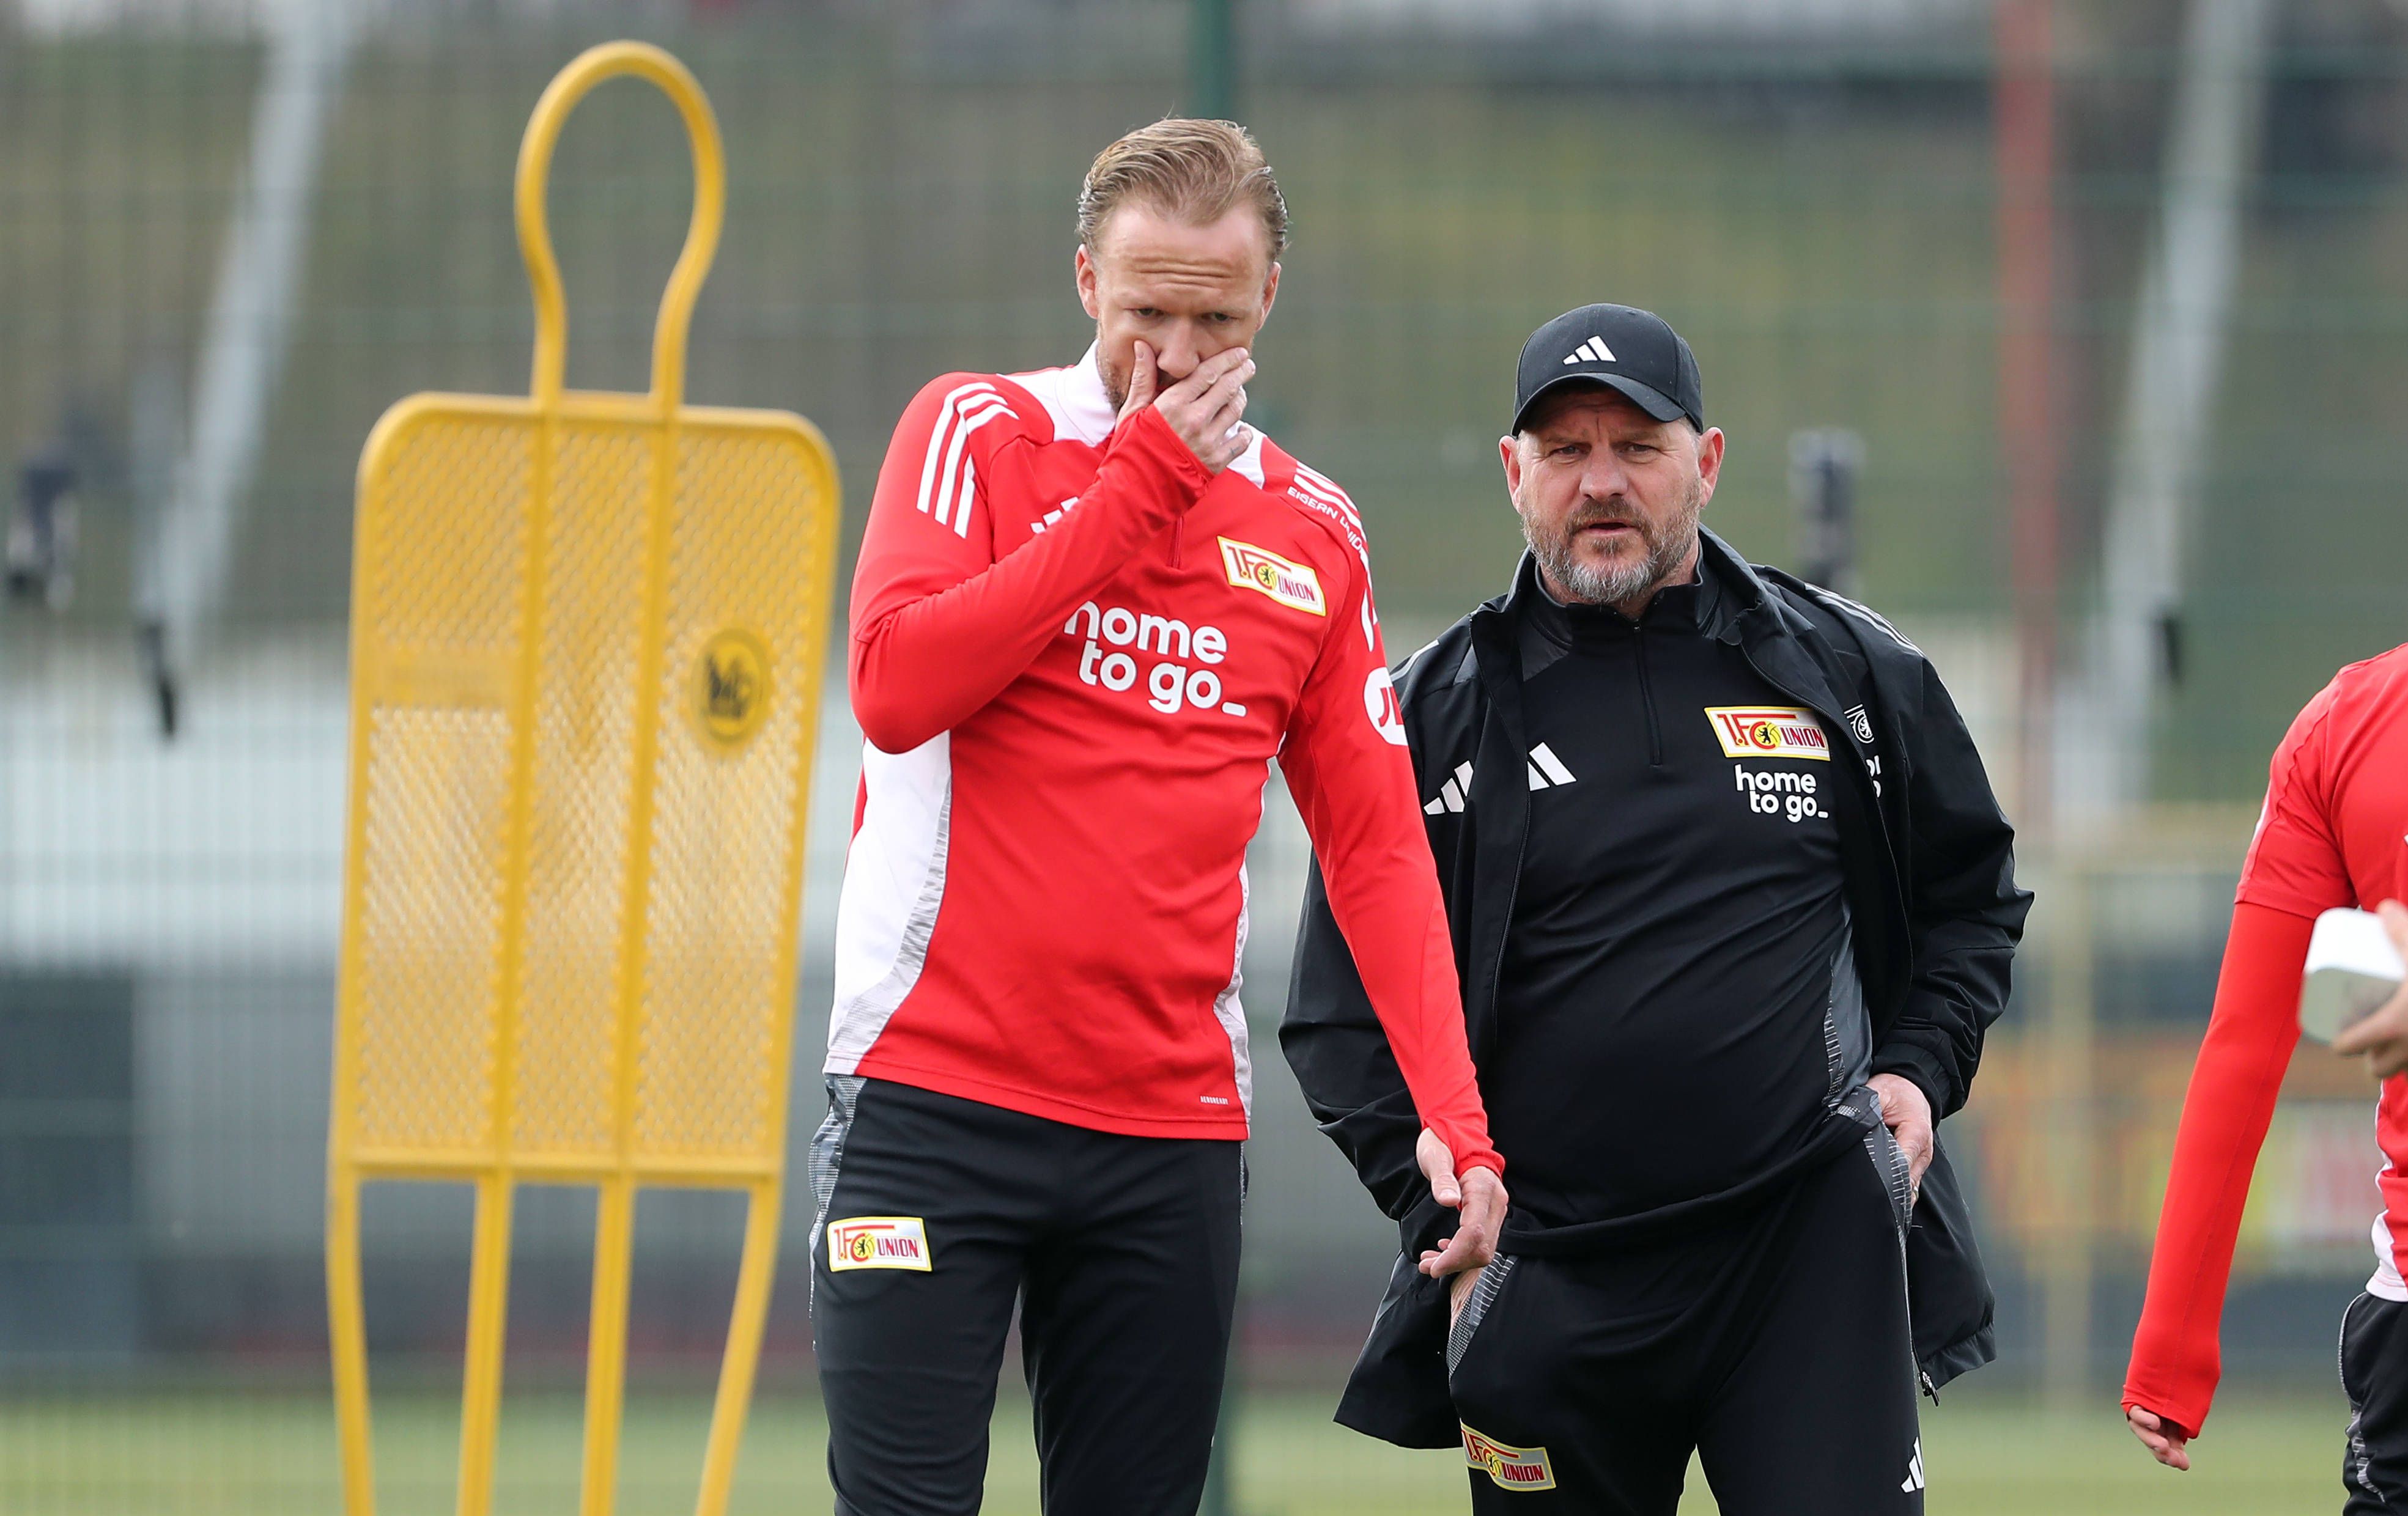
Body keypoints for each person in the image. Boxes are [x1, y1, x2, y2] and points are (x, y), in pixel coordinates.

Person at [811, 117, 1507, 1516]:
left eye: (1212, 318)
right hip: (931, 1103)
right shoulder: (979, 434)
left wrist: (1457, 1116)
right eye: (1144, 314)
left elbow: (1372, 840)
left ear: (1266, 307)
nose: (1175, 358)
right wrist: (1138, 488)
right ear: (1084, 284)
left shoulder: (1312, 531)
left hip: (1164, 1139)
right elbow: (895, 686)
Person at [1282, 304, 2029, 1514]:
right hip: (1546, 1278)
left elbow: (1970, 902)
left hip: (1805, 1253)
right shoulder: (1425, 719)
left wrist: (1915, 1071)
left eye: (1637, 446)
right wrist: (1441, 1201)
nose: (1601, 483)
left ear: (1709, 459)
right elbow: (1336, 1018)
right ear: (1512, 472)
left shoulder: (1846, 673)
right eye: (1566, 451)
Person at [2124, 646, 2408, 1512]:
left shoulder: (2349, 721)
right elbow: (2244, 1047)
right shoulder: (2343, 729)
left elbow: (2242, 1048)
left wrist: (2170, 1346)